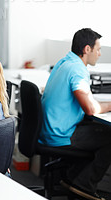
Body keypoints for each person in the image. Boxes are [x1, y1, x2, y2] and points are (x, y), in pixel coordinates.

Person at [39, 28, 111, 200]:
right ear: (87, 49)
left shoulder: (65, 62)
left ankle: (72, 178)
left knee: (96, 129)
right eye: (98, 49)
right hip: (60, 135)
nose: (100, 54)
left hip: (51, 129)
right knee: (109, 135)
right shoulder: (78, 70)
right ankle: (83, 185)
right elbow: (91, 109)